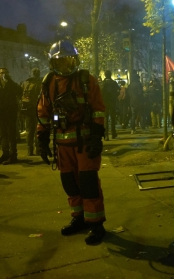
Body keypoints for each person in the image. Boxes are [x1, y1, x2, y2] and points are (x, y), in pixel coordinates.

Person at [37, 39, 107, 245]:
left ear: (75, 60)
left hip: (84, 143)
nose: (65, 66)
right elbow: (43, 112)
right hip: (62, 145)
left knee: (88, 184)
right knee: (70, 184)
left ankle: (96, 223)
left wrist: (96, 136)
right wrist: (42, 139)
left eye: (68, 61)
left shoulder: (86, 80)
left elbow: (98, 109)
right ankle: (78, 218)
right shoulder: (49, 82)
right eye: (60, 62)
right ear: (53, 64)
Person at [0, 67, 22, 164]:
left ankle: (13, 156)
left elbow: (19, 91)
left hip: (11, 113)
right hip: (1, 114)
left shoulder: (11, 85)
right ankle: (5, 154)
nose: (3, 74)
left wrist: (9, 82)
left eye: (5, 73)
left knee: (11, 135)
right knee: (3, 135)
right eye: (1, 73)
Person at [21, 68, 42, 155]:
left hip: (28, 109)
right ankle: (38, 149)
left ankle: (30, 149)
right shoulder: (41, 82)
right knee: (38, 130)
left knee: (29, 130)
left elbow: (21, 96)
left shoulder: (26, 83)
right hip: (39, 109)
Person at [100, 70, 119, 140]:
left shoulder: (102, 83)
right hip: (112, 102)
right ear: (110, 75)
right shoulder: (114, 83)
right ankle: (113, 133)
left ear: (105, 75)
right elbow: (118, 91)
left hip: (105, 102)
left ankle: (106, 135)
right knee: (113, 118)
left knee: (106, 118)